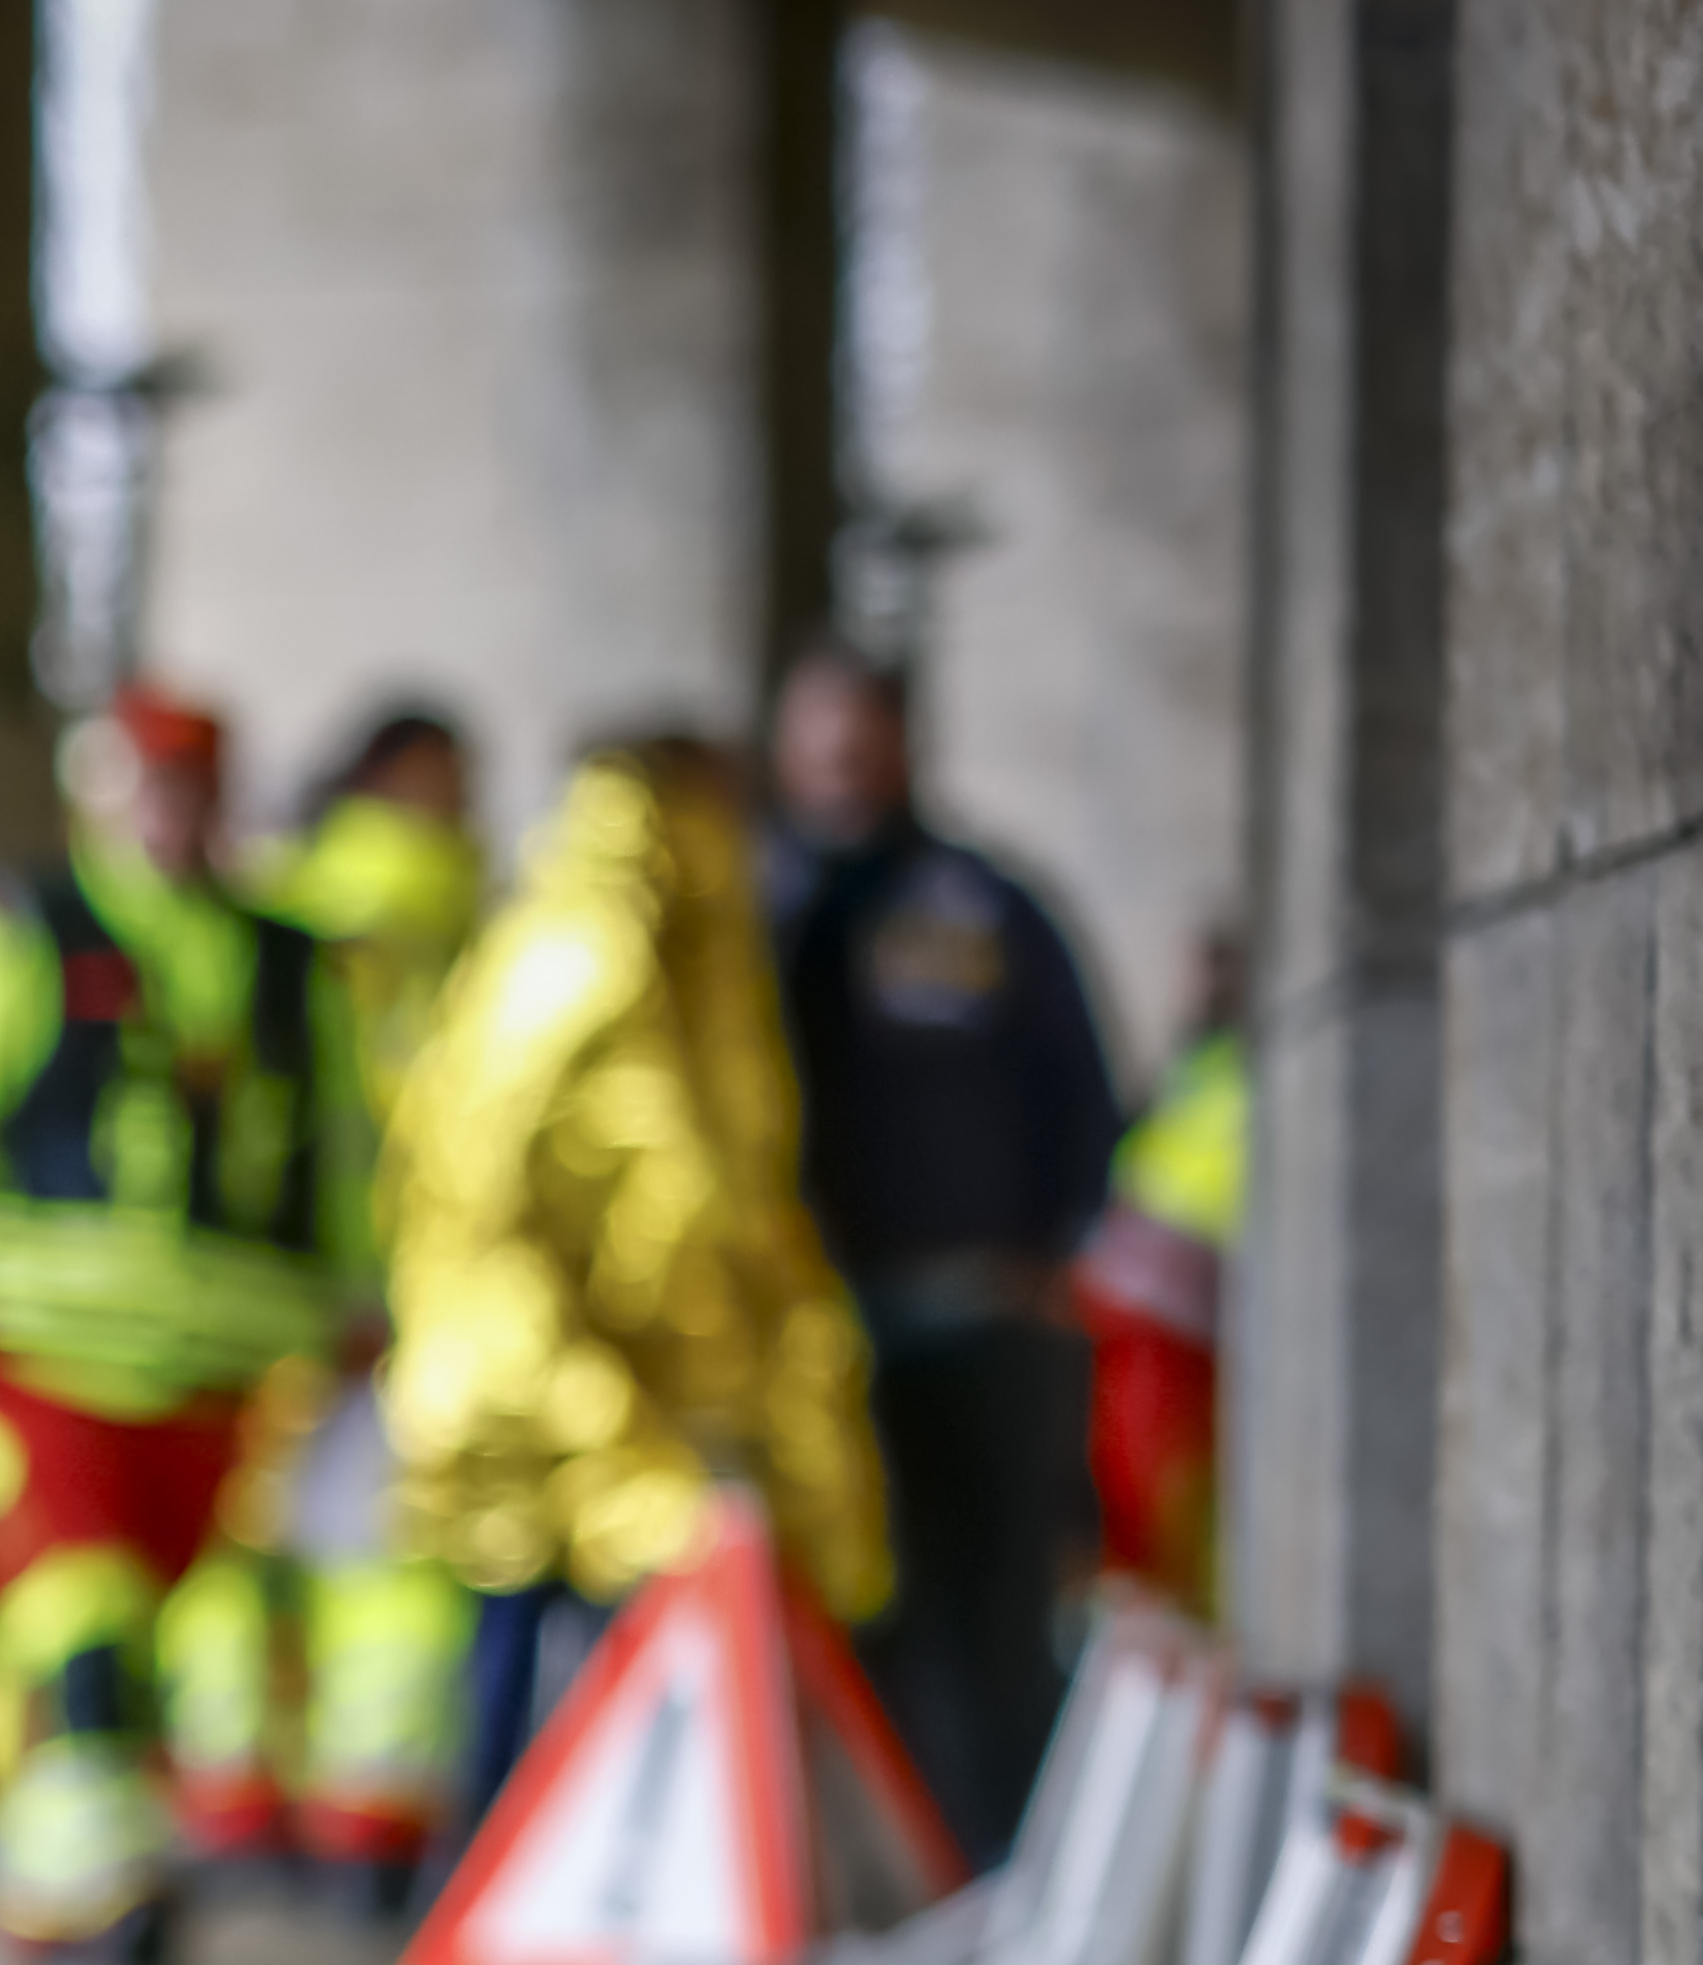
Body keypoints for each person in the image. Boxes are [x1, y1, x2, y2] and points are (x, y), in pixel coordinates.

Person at [0, 685, 380, 1965]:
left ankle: (68, 1884)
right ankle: (97, 1902)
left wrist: (362, 1304)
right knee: (79, 1620)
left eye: (192, 786)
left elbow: (346, 1155)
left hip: (229, 1372)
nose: (169, 814)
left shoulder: (288, 961)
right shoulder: (21, 936)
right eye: (146, 784)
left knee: (161, 1645)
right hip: (41, 1358)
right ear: (102, 794)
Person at [375, 734, 890, 1831]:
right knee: (525, 1726)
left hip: (656, 1415)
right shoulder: (572, 962)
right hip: (559, 1413)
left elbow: (725, 1202)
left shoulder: (697, 967)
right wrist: (609, 1420)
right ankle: (481, 1957)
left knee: (624, 1749)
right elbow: (483, 1220)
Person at [761, 638, 1126, 1857]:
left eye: (865, 732)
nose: (844, 759)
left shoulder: (981, 909)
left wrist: (1048, 1247)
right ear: (784, 745)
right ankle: (877, 1888)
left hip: (975, 1322)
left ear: (905, 743)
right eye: (821, 733)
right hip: (802, 1344)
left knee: (993, 1629)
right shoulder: (747, 910)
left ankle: (1000, 1880)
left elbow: (1081, 1089)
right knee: (851, 1631)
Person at [160, 701, 490, 1899]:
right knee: (392, 1563)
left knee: (238, 1556)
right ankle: (374, 1813)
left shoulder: (277, 919)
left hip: (261, 1291)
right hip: (414, 1291)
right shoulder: (464, 926)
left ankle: (235, 1792)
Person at [1078, 927, 1246, 1619]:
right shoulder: (1196, 1067)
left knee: (1172, 1532)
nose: (1202, 985)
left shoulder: (1238, 1073)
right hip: (1133, 1320)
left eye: (1220, 968)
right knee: (1135, 1520)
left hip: (1186, 1330)